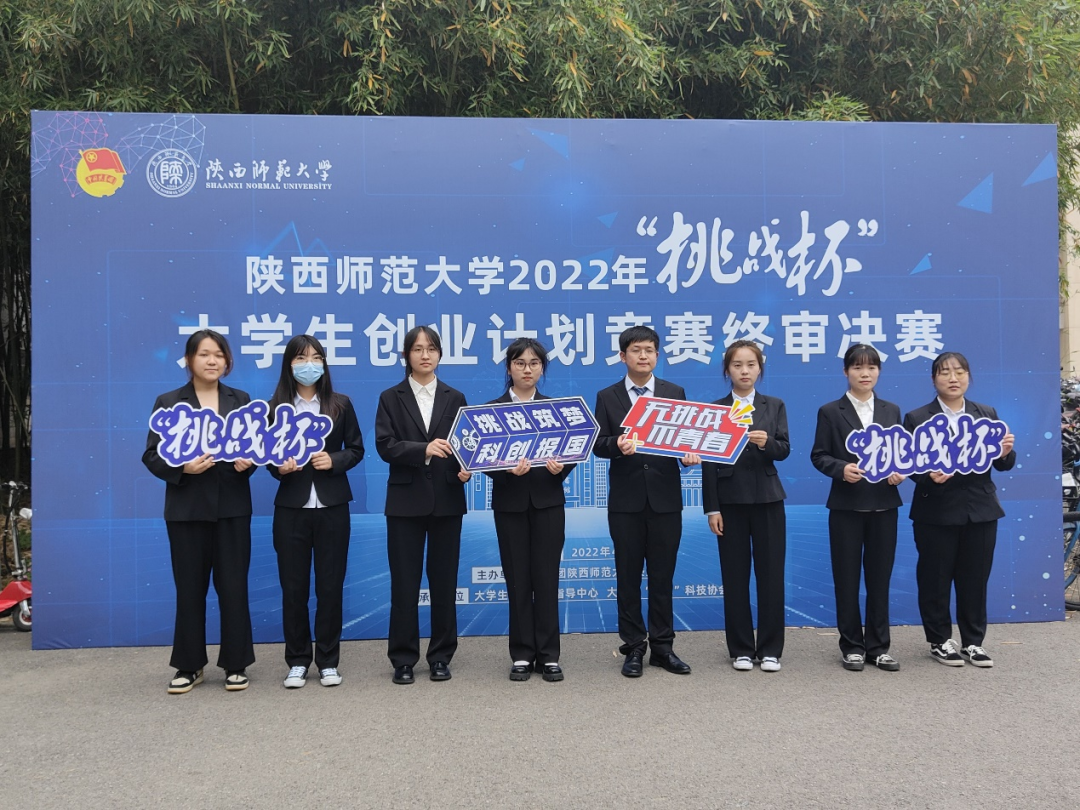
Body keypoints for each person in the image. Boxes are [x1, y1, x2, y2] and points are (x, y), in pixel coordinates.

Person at [142, 329, 256, 694]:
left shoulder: (241, 400)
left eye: (219, 355)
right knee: (190, 590)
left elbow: (255, 450)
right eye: (204, 354)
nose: (212, 361)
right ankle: (189, 665)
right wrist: (183, 468)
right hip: (187, 510)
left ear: (227, 361)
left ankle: (236, 664)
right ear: (189, 360)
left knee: (234, 588)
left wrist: (248, 463)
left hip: (232, 508)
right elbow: (151, 455)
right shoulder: (169, 402)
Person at [594, 326, 700, 678]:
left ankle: (663, 647)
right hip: (625, 502)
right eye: (636, 350)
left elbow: (686, 438)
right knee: (627, 578)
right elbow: (598, 443)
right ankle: (634, 647)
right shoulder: (607, 396)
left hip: (665, 500)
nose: (643, 356)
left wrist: (688, 455)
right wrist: (616, 445)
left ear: (657, 355)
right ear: (622, 356)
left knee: (662, 577)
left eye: (650, 350)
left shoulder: (674, 392)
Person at [903, 351, 1016, 668]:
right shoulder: (917, 418)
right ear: (933, 379)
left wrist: (1005, 452)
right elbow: (908, 463)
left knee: (975, 579)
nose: (953, 378)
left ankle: (973, 642)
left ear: (968, 377)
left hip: (980, 510)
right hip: (936, 511)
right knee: (935, 579)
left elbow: (1003, 463)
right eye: (945, 372)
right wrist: (928, 476)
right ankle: (939, 641)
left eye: (960, 372)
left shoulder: (986, 413)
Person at [374, 326, 471, 684]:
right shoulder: (390, 397)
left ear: (440, 354)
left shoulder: (455, 396)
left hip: (447, 500)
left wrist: (465, 471)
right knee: (405, 584)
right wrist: (424, 449)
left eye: (431, 349)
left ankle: (441, 656)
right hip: (404, 502)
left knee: (444, 583)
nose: (425, 355)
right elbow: (385, 445)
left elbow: (466, 444)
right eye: (417, 349)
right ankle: (403, 658)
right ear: (406, 355)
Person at [268, 335, 364, 689]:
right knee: (293, 588)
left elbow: (356, 449)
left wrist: (333, 460)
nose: (308, 364)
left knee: (330, 586)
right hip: (291, 507)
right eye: (300, 358)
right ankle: (297, 660)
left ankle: (327, 661)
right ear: (289, 364)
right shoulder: (275, 408)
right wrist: (279, 467)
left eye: (316, 357)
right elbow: (266, 456)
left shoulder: (340, 404)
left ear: (324, 364)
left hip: (332, 506)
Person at [810, 344, 904, 673]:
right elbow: (819, 455)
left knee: (880, 581)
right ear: (846, 371)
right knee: (846, 580)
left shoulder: (891, 410)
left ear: (879, 371)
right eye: (858, 367)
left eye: (871, 367)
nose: (865, 374)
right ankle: (851, 646)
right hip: (846, 507)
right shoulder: (830, 411)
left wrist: (900, 472)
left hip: (884, 507)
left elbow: (900, 454)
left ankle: (878, 647)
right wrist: (841, 469)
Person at [484, 338, 573, 682]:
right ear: (509, 368)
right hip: (510, 504)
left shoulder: (556, 409)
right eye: (520, 363)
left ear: (542, 369)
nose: (527, 369)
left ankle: (549, 655)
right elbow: (480, 457)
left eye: (534, 363)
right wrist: (504, 470)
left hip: (548, 502)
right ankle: (521, 654)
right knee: (517, 579)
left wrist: (561, 468)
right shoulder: (491, 411)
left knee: (547, 579)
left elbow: (573, 448)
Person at [702, 339, 789, 673]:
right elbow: (709, 462)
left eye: (751, 364)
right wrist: (712, 508)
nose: (744, 371)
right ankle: (740, 648)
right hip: (730, 502)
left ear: (759, 368)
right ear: (727, 370)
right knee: (735, 577)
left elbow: (784, 448)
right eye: (737, 365)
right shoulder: (715, 409)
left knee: (771, 576)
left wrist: (768, 443)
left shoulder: (774, 405)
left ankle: (770, 649)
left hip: (768, 499)